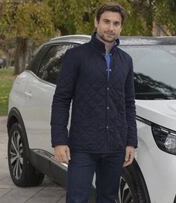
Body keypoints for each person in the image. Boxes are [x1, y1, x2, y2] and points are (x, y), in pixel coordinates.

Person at [50, 2, 137, 203]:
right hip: (82, 146)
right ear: (97, 22)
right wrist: (59, 140)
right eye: (106, 21)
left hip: (115, 146)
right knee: (77, 198)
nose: (111, 27)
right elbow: (62, 99)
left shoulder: (126, 60)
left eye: (116, 23)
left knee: (108, 198)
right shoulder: (75, 56)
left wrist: (130, 141)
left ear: (121, 27)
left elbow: (128, 103)